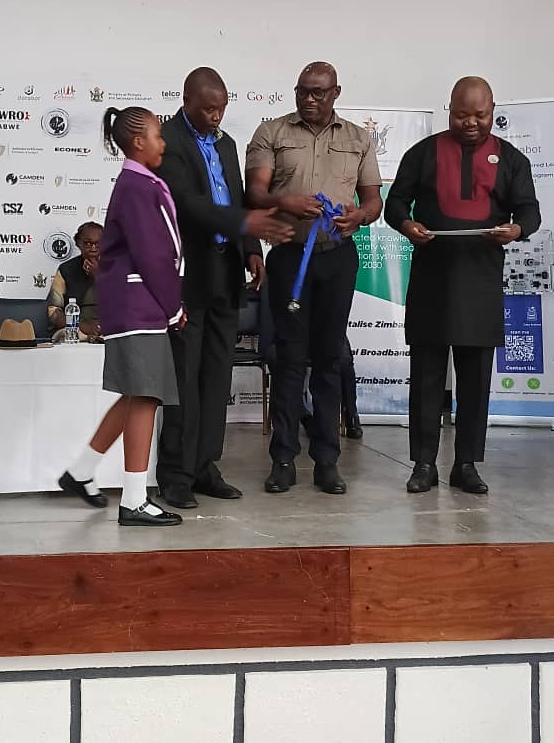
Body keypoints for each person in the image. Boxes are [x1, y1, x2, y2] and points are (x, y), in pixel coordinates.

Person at [384, 76, 541, 494]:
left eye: (480, 115)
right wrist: (407, 225)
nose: (470, 122)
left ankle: (466, 464)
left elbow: (530, 210)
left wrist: (517, 229)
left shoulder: (511, 159)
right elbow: (394, 203)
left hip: (481, 281)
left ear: (493, 111)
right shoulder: (423, 153)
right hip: (432, 279)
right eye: (461, 114)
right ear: (449, 109)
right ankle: (423, 464)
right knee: (426, 376)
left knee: (475, 380)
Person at [155, 67, 293, 509]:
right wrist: (245, 223)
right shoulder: (168, 141)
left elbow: (235, 197)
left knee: (216, 376)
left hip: (226, 270)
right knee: (185, 378)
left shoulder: (228, 144)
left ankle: (205, 465)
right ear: (186, 101)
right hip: (188, 274)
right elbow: (189, 205)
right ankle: (175, 473)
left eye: (222, 108)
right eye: (208, 109)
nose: (216, 116)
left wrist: (251, 248)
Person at [246, 62, 383, 495]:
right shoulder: (271, 132)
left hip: (337, 259)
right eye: (302, 91)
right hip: (290, 258)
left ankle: (327, 460)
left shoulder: (358, 138)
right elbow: (255, 193)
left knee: (329, 359)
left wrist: (359, 217)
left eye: (318, 92)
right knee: (289, 359)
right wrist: (286, 201)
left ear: (335, 93)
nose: (309, 99)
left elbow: (373, 200)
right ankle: (283, 459)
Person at [58, 107, 184, 527]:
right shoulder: (137, 186)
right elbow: (153, 255)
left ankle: (81, 471)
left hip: (136, 302)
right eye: (158, 136)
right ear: (138, 142)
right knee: (146, 395)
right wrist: (174, 306)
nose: (163, 143)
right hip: (139, 303)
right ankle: (134, 500)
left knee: (134, 393)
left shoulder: (139, 183)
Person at [47, 222, 103, 342]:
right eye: (88, 243)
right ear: (78, 244)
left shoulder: (116, 268)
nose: (93, 247)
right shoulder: (66, 270)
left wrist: (98, 276)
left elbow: (124, 304)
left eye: (98, 243)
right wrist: (81, 326)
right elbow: (53, 312)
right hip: (75, 331)